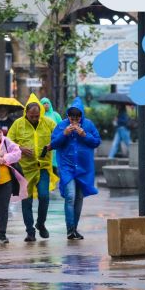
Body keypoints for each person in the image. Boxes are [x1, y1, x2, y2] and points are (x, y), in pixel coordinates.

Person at [8, 94, 58, 242]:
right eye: (32, 116)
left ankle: (41, 224)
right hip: (25, 169)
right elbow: (8, 142)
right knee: (26, 200)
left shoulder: (48, 123)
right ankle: (30, 231)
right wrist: (21, 148)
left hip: (43, 167)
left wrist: (51, 145)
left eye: (37, 116)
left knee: (44, 196)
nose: (35, 119)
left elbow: (59, 138)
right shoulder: (18, 124)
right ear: (26, 114)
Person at [51, 97, 101, 240]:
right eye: (71, 117)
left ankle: (74, 229)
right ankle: (69, 229)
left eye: (77, 117)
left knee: (79, 197)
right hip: (66, 166)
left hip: (84, 168)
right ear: (68, 116)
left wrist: (84, 135)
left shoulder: (88, 125)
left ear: (81, 116)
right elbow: (54, 143)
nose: (74, 120)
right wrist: (64, 134)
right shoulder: (61, 125)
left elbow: (96, 141)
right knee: (70, 196)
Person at [41, 98, 63, 172]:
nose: (46, 105)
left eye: (48, 103)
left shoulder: (55, 115)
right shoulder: (39, 116)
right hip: (43, 142)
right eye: (44, 103)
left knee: (54, 163)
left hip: (54, 141)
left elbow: (61, 127)